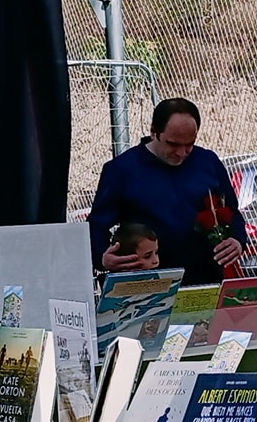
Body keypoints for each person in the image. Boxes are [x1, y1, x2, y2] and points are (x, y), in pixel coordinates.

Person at [88, 98, 243, 284]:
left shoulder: (208, 162)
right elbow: (96, 225)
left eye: (190, 144)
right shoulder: (122, 170)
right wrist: (103, 257)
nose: (181, 153)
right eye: (173, 144)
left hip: (205, 278)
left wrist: (238, 240)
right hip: (149, 283)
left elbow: (232, 211)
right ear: (154, 132)